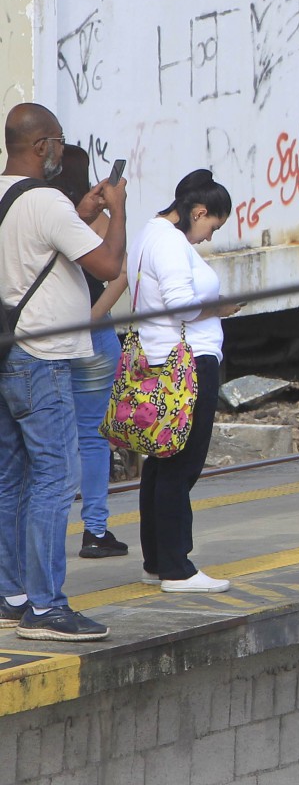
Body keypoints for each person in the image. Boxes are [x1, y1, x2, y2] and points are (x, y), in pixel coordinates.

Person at [0, 104, 125, 641]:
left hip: (9, 354)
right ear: (44, 146)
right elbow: (108, 265)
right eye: (58, 142)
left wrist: (83, 207)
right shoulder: (47, 201)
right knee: (55, 478)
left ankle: (11, 594)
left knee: (12, 478)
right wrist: (116, 209)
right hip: (44, 359)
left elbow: (38, 246)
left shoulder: (9, 194)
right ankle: (48, 608)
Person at [131, 170, 243, 593]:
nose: (209, 236)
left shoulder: (149, 232)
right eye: (211, 225)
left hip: (161, 361)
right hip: (188, 365)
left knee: (161, 463)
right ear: (198, 212)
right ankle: (177, 568)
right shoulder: (172, 243)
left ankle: (157, 559)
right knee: (182, 465)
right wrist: (220, 307)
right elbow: (180, 305)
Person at [49, 147, 128, 560]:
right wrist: (91, 320)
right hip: (94, 338)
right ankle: (95, 530)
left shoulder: (38, 211)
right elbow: (117, 274)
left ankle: (47, 529)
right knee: (93, 437)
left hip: (50, 337)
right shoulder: (97, 221)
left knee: (50, 440)